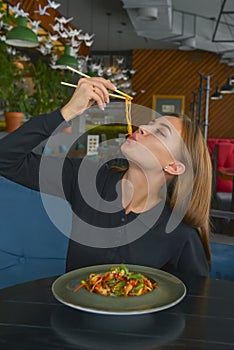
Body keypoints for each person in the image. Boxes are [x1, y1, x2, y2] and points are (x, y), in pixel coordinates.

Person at [0, 77, 212, 276]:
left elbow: (196, 304)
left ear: (174, 167)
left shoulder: (181, 233)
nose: (144, 128)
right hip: (72, 314)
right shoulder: (87, 178)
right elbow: (5, 159)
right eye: (151, 123)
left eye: (160, 132)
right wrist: (66, 112)